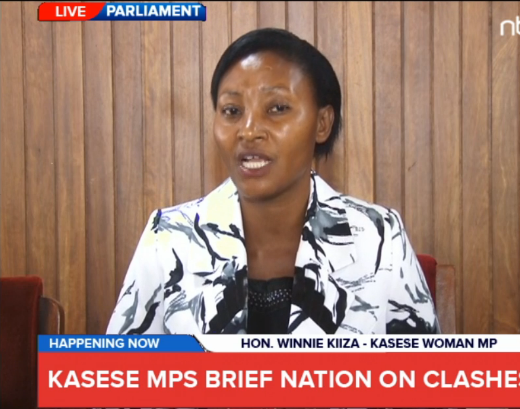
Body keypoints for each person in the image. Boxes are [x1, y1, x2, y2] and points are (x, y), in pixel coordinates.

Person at [106, 27, 440, 336]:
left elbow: (425, 374)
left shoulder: (379, 237)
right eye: (232, 111)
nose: (249, 130)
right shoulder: (169, 237)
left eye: (277, 108)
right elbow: (121, 373)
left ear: (322, 123)